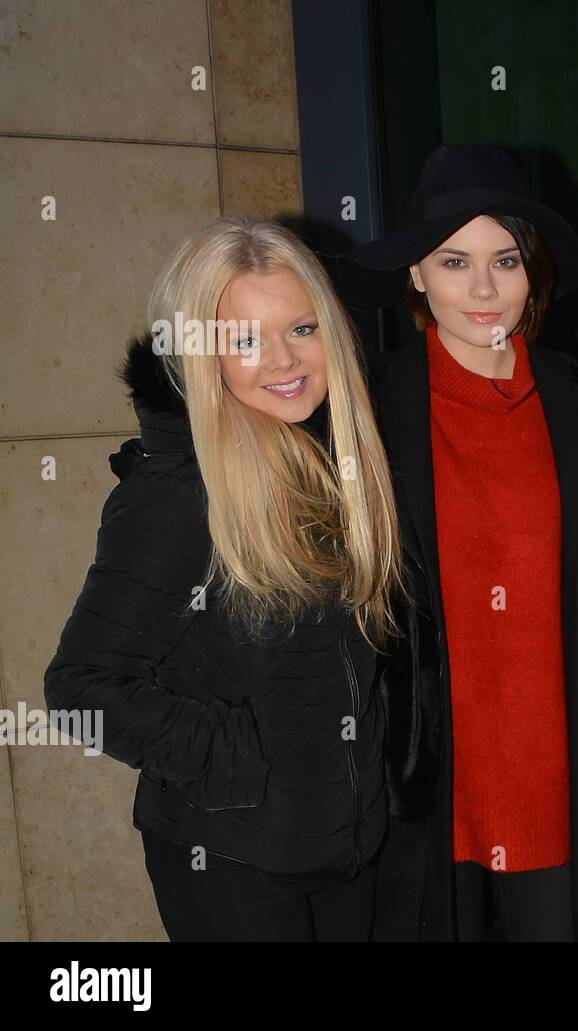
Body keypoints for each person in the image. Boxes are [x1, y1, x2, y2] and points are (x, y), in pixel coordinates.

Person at [44, 215, 401, 941]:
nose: (283, 359)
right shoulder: (180, 489)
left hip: (341, 842)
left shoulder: (334, 461)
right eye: (244, 339)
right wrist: (242, 761)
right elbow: (79, 687)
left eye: (302, 329)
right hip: (228, 859)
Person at [346, 144, 578, 941]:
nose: (481, 289)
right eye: (453, 261)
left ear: (530, 271)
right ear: (415, 273)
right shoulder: (369, 407)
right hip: (429, 771)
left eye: (504, 260)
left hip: (558, 762)